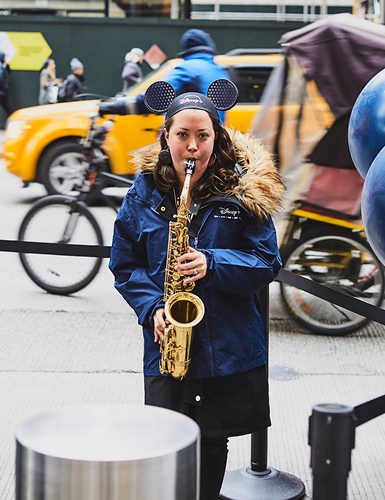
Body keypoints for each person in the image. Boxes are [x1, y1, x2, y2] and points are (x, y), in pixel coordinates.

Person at [109, 85, 284, 500]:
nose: (192, 148)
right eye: (182, 136)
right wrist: (151, 306)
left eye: (202, 136)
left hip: (224, 346)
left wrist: (213, 262)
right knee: (165, 442)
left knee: (211, 441)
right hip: (167, 338)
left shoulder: (243, 193)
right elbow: (124, 263)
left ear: (217, 137)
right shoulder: (144, 193)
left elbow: (267, 262)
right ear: (165, 136)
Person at [99, 29, 229, 121]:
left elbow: (154, 97)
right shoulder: (219, 70)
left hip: (186, 146)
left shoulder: (188, 68)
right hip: (213, 143)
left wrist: (114, 107)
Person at [0, 51, 12, 117]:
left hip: (0, 93)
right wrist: (5, 87)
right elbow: (0, 77)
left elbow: (8, 72)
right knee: (9, 110)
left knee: (9, 110)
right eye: (4, 57)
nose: (5, 59)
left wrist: (7, 66)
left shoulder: (0, 65)